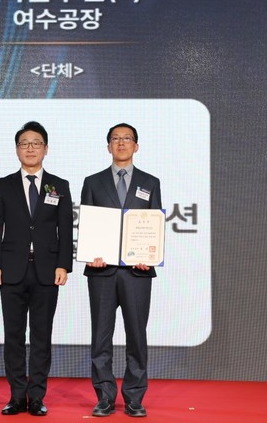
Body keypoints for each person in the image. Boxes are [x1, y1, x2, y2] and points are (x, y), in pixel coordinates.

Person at [0, 121, 73, 417]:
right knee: (13, 336)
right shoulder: (4, 185)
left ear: (46, 149)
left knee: (41, 336)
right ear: (17, 150)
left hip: (47, 271)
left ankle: (36, 396)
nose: (30, 148)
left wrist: (63, 265)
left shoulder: (59, 185)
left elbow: (65, 230)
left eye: (36, 143)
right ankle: (16, 395)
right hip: (11, 271)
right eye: (24, 143)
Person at [80, 123, 162, 418]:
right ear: (108, 146)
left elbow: (154, 223)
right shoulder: (93, 182)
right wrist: (90, 253)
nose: (121, 143)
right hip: (101, 272)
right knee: (101, 337)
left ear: (136, 146)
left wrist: (149, 255)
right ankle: (104, 396)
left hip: (137, 273)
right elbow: (88, 224)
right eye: (115, 139)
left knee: (136, 336)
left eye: (127, 138)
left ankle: (134, 397)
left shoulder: (150, 182)